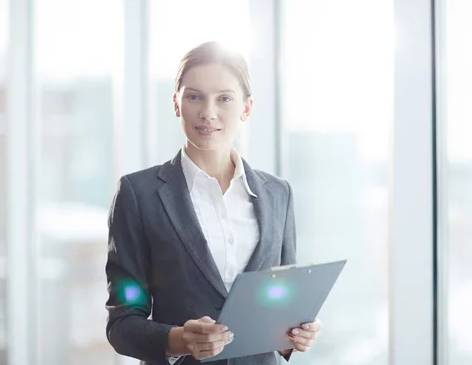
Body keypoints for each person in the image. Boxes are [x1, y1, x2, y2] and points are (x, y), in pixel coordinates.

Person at [104, 41, 321, 365]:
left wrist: (297, 332)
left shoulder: (279, 194)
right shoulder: (139, 194)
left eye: (224, 98)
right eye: (194, 96)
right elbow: (122, 323)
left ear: (246, 108)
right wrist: (178, 340)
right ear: (176, 103)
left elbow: (284, 304)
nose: (208, 112)